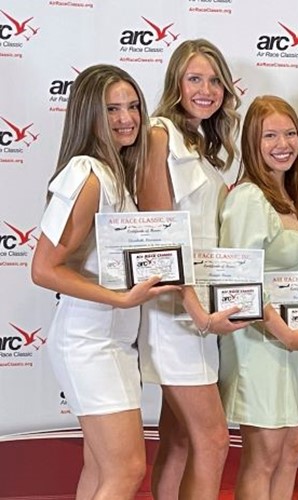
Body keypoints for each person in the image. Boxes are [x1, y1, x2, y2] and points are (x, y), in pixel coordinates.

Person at [31, 64, 180, 499]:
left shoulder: (116, 175)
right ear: (87, 115)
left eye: (133, 106)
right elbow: (43, 269)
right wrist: (119, 297)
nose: (127, 118)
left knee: (101, 469)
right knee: (127, 468)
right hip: (87, 342)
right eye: (111, 109)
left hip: (113, 343)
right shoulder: (87, 174)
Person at [136, 39, 247, 500]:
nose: (206, 89)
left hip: (201, 308)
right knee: (213, 439)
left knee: (180, 438)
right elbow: (159, 236)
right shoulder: (159, 134)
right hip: (177, 311)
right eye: (195, 79)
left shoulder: (200, 142)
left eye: (215, 80)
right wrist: (195, 309)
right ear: (176, 84)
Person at [219, 95, 298, 499]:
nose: (283, 143)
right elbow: (239, 281)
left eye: (289, 133)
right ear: (252, 141)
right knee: (264, 454)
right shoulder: (249, 197)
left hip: (290, 343)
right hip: (259, 341)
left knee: (290, 448)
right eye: (270, 135)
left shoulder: (288, 196)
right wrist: (283, 333)